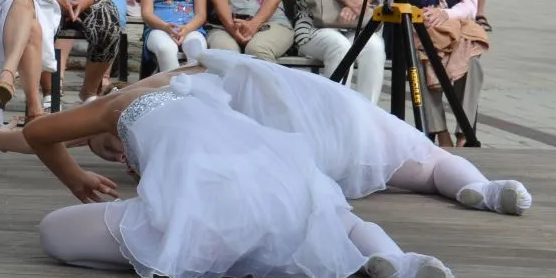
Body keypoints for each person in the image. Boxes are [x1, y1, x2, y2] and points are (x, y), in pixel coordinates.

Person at [0, 69, 461, 278]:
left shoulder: (115, 106)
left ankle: (222, 250)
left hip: (206, 209)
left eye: (102, 147)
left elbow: (37, 133)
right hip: (279, 179)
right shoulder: (192, 88)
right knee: (338, 216)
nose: (115, 156)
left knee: (55, 231)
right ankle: (399, 262)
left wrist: (74, 178)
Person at [196, 47, 531, 215]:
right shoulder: (237, 71)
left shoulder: (196, 98)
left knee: (330, 212)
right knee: (432, 163)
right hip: (348, 119)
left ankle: (394, 258)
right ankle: (482, 189)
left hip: (303, 152)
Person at [406, 0, 488, 147]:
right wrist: (419, 14)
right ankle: (439, 132)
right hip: (416, 31)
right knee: (421, 63)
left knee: (473, 66)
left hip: (451, 30)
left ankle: (464, 132)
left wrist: (444, 14)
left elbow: (470, 6)